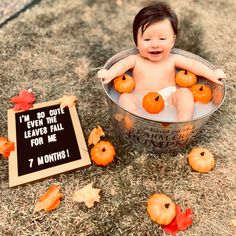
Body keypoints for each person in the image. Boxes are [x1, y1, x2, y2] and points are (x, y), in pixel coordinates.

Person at [97, 2, 225, 122]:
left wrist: (212, 74)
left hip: (170, 97)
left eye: (162, 38)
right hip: (140, 98)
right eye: (147, 39)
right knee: (125, 97)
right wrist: (110, 73)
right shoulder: (135, 59)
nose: (155, 45)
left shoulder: (173, 59)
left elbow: (193, 64)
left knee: (185, 93)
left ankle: (184, 123)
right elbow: (122, 65)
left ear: (173, 41)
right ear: (137, 42)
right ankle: (137, 122)